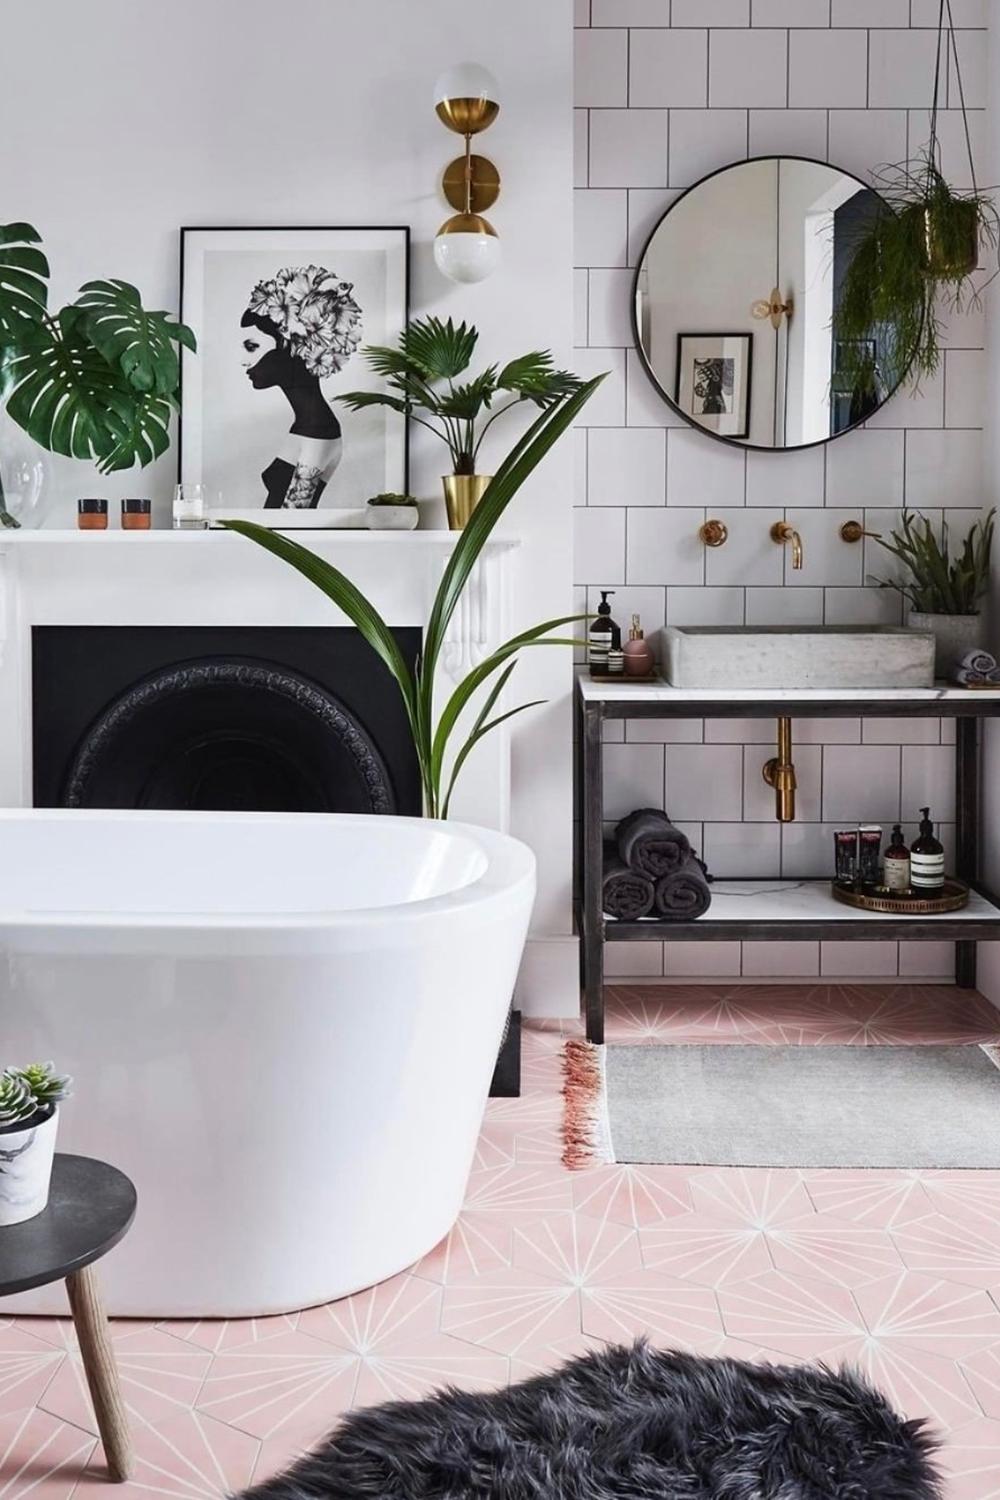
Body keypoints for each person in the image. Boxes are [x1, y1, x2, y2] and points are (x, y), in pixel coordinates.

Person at [240, 266, 362, 508]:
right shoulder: (309, 425)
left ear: (291, 347)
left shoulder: (318, 432)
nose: (243, 360)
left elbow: (294, 516)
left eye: (252, 347)